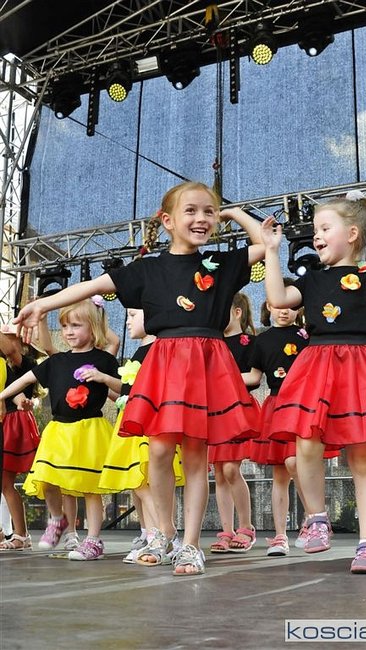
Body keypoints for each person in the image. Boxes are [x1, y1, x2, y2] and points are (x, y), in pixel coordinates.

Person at [14, 181, 264, 575]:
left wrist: (236, 214)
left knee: (196, 456)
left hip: (205, 362)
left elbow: (264, 245)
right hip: (165, 363)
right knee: (159, 453)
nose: (201, 218)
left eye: (209, 211)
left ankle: (190, 545)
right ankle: (164, 532)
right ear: (167, 221)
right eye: (191, 210)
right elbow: (93, 285)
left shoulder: (221, 263)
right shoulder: (148, 270)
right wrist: (43, 303)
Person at [260, 193, 366, 574]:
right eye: (315, 229)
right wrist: (271, 250)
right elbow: (277, 297)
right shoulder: (312, 279)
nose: (316, 236)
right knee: (306, 444)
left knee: (363, 457)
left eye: (324, 228)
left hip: (360, 365)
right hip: (318, 363)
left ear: (352, 234)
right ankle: (317, 517)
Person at [0, 298, 121, 560]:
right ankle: (57, 519)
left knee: (90, 488)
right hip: (59, 429)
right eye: (65, 326)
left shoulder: (103, 360)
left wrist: (102, 377)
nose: (68, 331)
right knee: (47, 478)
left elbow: (123, 388)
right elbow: (25, 379)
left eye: (76, 325)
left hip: (89, 429)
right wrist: (2, 396)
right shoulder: (56, 361)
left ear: (93, 327)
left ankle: (93, 540)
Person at [98, 308, 184, 564]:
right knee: (137, 483)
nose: (128, 321)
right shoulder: (140, 351)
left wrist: (104, 378)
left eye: (133, 315)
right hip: (131, 420)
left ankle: (165, 536)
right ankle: (151, 535)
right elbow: (127, 389)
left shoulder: (159, 349)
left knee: (146, 482)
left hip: (147, 421)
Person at [243, 284, 311, 557]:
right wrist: (219, 377)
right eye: (279, 306)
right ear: (269, 306)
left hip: (302, 405)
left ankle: (313, 519)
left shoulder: (308, 336)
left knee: (295, 463)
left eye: (291, 306)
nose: (284, 311)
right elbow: (253, 377)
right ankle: (281, 535)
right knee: (280, 474)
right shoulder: (262, 340)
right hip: (276, 404)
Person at [209, 293, 257, 554]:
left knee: (230, 469)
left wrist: (224, 378)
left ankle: (246, 526)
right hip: (215, 411)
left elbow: (254, 377)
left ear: (237, 312)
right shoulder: (212, 342)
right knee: (218, 472)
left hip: (237, 409)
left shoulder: (249, 342)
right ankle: (227, 531)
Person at [0, 324, 42, 551]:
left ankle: (21, 534)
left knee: (6, 482)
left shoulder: (24, 364)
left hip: (13, 422)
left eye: (9, 337)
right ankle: (7, 532)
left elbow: (10, 351)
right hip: (6, 420)